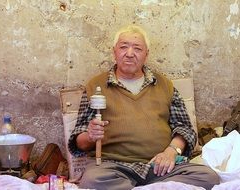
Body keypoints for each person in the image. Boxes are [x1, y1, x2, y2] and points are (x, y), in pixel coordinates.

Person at [68, 25, 219, 190]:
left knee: (208, 177)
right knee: (93, 180)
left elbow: (185, 129)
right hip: (113, 167)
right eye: (123, 47)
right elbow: (79, 143)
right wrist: (90, 136)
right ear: (114, 52)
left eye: (137, 48)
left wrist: (171, 152)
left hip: (160, 166)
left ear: (146, 54)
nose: (130, 53)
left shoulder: (165, 86)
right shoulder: (95, 86)